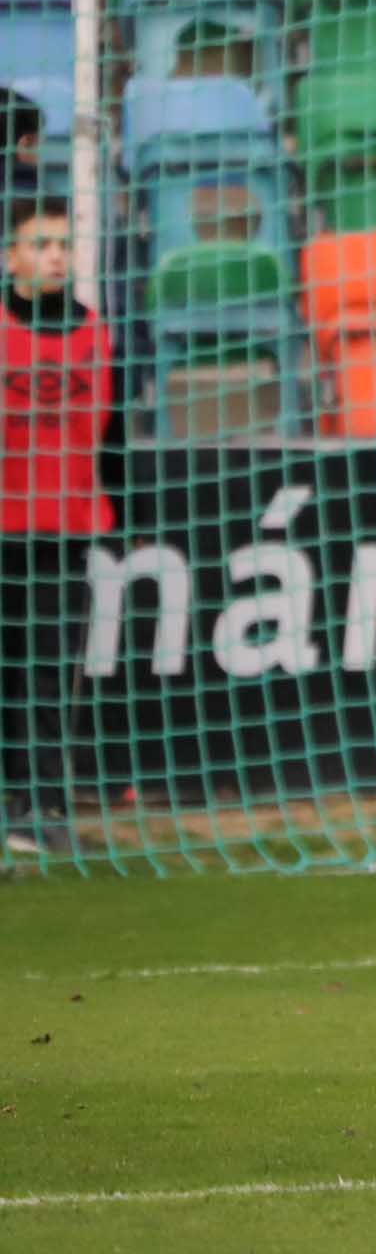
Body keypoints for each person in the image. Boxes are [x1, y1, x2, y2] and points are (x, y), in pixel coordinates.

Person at [1, 189, 112, 858]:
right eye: (41, 244)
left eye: (63, 245)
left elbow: (114, 430)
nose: (54, 256)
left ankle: (45, 804)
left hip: (61, 530)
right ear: (11, 255)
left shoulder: (94, 330)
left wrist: (123, 512)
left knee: (47, 671)